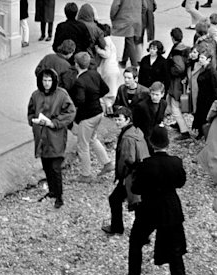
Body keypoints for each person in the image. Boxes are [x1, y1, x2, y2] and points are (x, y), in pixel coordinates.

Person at [116, 126, 196, 275]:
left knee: (136, 243)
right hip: (170, 209)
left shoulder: (145, 165)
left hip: (149, 209)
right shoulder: (176, 162)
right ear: (167, 143)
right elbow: (181, 182)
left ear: (151, 143)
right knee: (176, 251)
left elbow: (136, 188)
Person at [28, 69, 76, 209]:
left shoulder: (61, 95)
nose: (47, 83)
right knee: (46, 165)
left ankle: (59, 196)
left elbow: (70, 112)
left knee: (56, 167)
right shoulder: (36, 95)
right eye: (44, 80)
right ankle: (52, 191)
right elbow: (31, 111)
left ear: (54, 81)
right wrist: (33, 121)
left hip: (56, 136)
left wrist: (54, 123)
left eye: (49, 80)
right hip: (42, 136)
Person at [102, 107, 150, 236]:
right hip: (139, 174)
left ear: (127, 119)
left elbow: (128, 159)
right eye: (116, 119)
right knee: (137, 204)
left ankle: (119, 228)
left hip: (130, 176)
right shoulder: (135, 131)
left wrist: (122, 177)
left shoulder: (127, 138)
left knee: (117, 200)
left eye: (119, 120)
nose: (117, 122)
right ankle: (141, 233)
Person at [69, 52, 113, 182]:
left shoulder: (79, 81)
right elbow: (105, 89)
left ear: (76, 64)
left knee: (83, 145)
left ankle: (86, 174)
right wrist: (94, 97)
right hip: (98, 112)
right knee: (93, 138)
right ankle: (107, 163)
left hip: (87, 116)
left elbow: (80, 101)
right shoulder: (94, 73)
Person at [110, 0, 146, 68]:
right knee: (129, 39)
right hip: (137, 19)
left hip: (126, 20)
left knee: (129, 40)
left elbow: (115, 7)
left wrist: (113, 17)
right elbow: (144, 7)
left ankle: (134, 65)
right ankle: (124, 61)